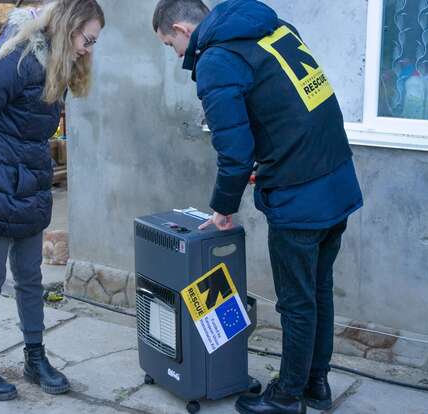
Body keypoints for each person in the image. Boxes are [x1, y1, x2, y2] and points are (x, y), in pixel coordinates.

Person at [152, 1, 363, 413]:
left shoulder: (217, 59)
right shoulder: (274, 29)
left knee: (297, 301)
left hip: (300, 194)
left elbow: (234, 150)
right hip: (335, 178)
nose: (177, 55)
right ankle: (316, 385)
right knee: (318, 291)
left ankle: (286, 397)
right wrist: (269, 157)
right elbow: (296, 107)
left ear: (180, 28)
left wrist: (222, 207)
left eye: (169, 44)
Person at [0, 0, 104, 401]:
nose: (88, 49)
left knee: (31, 279)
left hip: (29, 185)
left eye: (93, 43)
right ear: (68, 26)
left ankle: (35, 356)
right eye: (87, 39)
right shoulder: (16, 59)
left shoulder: (57, 65)